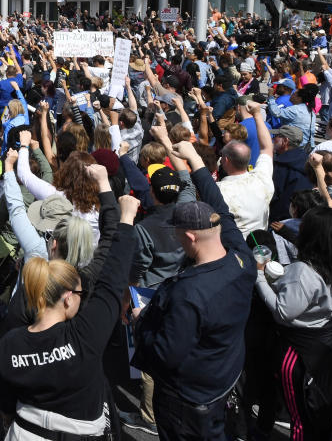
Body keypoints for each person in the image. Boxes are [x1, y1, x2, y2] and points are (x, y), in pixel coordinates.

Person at [131, 139, 255, 441]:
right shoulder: (243, 259)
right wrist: (194, 163)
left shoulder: (187, 294)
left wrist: (141, 321)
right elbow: (222, 210)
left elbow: (165, 354)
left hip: (188, 401)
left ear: (189, 236)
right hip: (223, 380)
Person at [0, 179, 135, 441]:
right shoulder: (85, 336)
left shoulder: (9, 344)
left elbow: (4, 392)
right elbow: (113, 277)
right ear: (68, 299)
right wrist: (124, 218)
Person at [254, 152, 332, 440]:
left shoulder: (302, 272)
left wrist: (260, 274)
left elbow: (282, 311)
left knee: (302, 417)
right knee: (324, 406)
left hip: (302, 351)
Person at [217, 101, 275, 237]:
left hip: (236, 249)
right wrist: (257, 115)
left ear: (225, 161)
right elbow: (267, 148)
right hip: (261, 244)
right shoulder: (262, 179)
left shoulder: (219, 190)